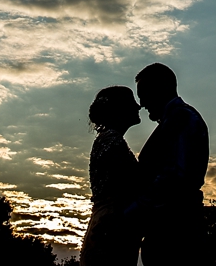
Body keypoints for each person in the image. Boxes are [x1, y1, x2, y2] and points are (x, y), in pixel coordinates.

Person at [130, 63, 209, 265]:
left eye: (144, 93)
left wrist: (134, 209)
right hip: (167, 230)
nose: (141, 103)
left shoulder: (183, 118)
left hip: (176, 233)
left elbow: (177, 176)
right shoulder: (174, 119)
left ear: (162, 88)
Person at [79, 86, 143, 266]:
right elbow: (133, 183)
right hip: (111, 226)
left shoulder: (108, 139)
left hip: (108, 222)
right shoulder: (112, 141)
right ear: (119, 109)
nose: (138, 107)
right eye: (132, 102)